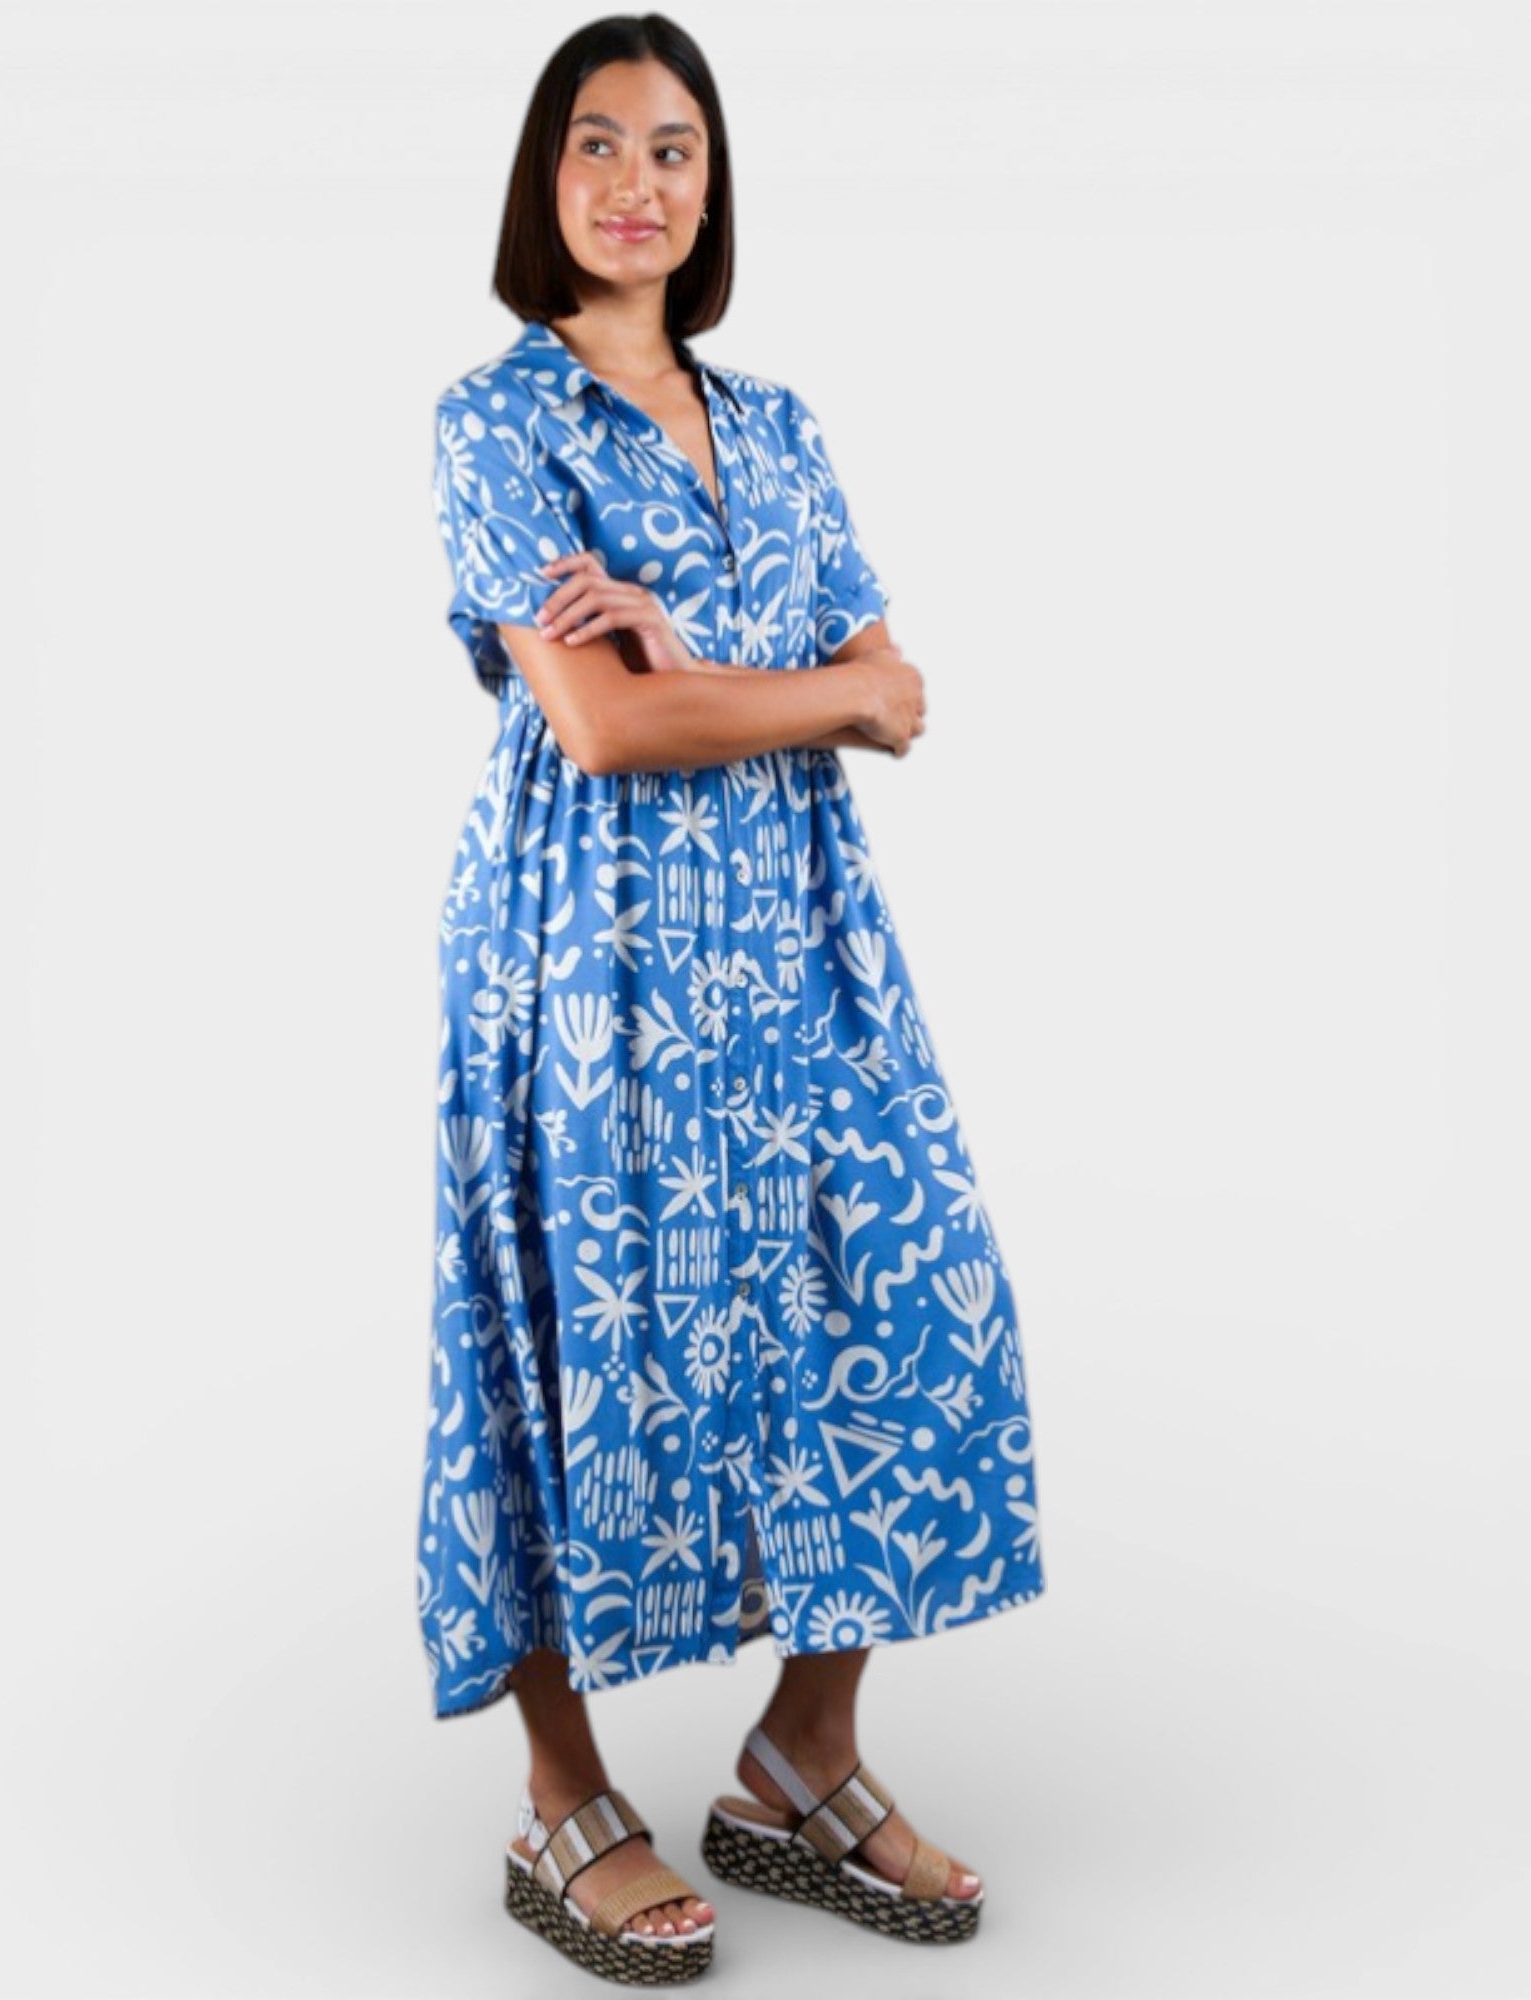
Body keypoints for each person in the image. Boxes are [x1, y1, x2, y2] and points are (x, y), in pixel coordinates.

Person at [416, 13, 1047, 1982]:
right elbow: (602, 727)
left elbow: (907, 691)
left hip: (797, 935)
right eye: (593, 144)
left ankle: (798, 1750)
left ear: (710, 186)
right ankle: (559, 1788)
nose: (632, 181)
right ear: (542, 182)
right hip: (584, 950)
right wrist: (787, 687)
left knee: (917, 1292)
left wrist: (735, 666)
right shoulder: (491, 420)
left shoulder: (771, 421)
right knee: (570, 1335)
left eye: (671, 148)